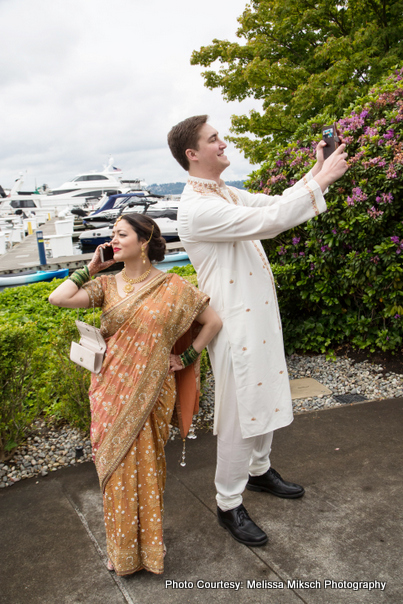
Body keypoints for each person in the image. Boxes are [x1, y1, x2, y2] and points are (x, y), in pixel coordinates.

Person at [167, 115, 348, 546]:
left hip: (258, 317)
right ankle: (228, 504)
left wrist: (317, 169)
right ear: (192, 154)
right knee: (238, 412)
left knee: (265, 392)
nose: (223, 143)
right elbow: (274, 221)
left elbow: (275, 203)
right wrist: (322, 181)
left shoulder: (223, 192)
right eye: (214, 140)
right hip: (233, 325)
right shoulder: (198, 207)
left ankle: (260, 470)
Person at [48, 213, 222, 576]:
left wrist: (187, 356)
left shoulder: (173, 286)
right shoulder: (107, 286)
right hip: (110, 391)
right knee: (113, 474)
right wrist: (91, 269)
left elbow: (213, 322)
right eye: (112, 234)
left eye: (121, 234)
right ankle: (123, 552)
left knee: (148, 471)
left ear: (144, 241)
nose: (113, 239)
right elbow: (57, 299)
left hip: (153, 393)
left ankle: (149, 551)